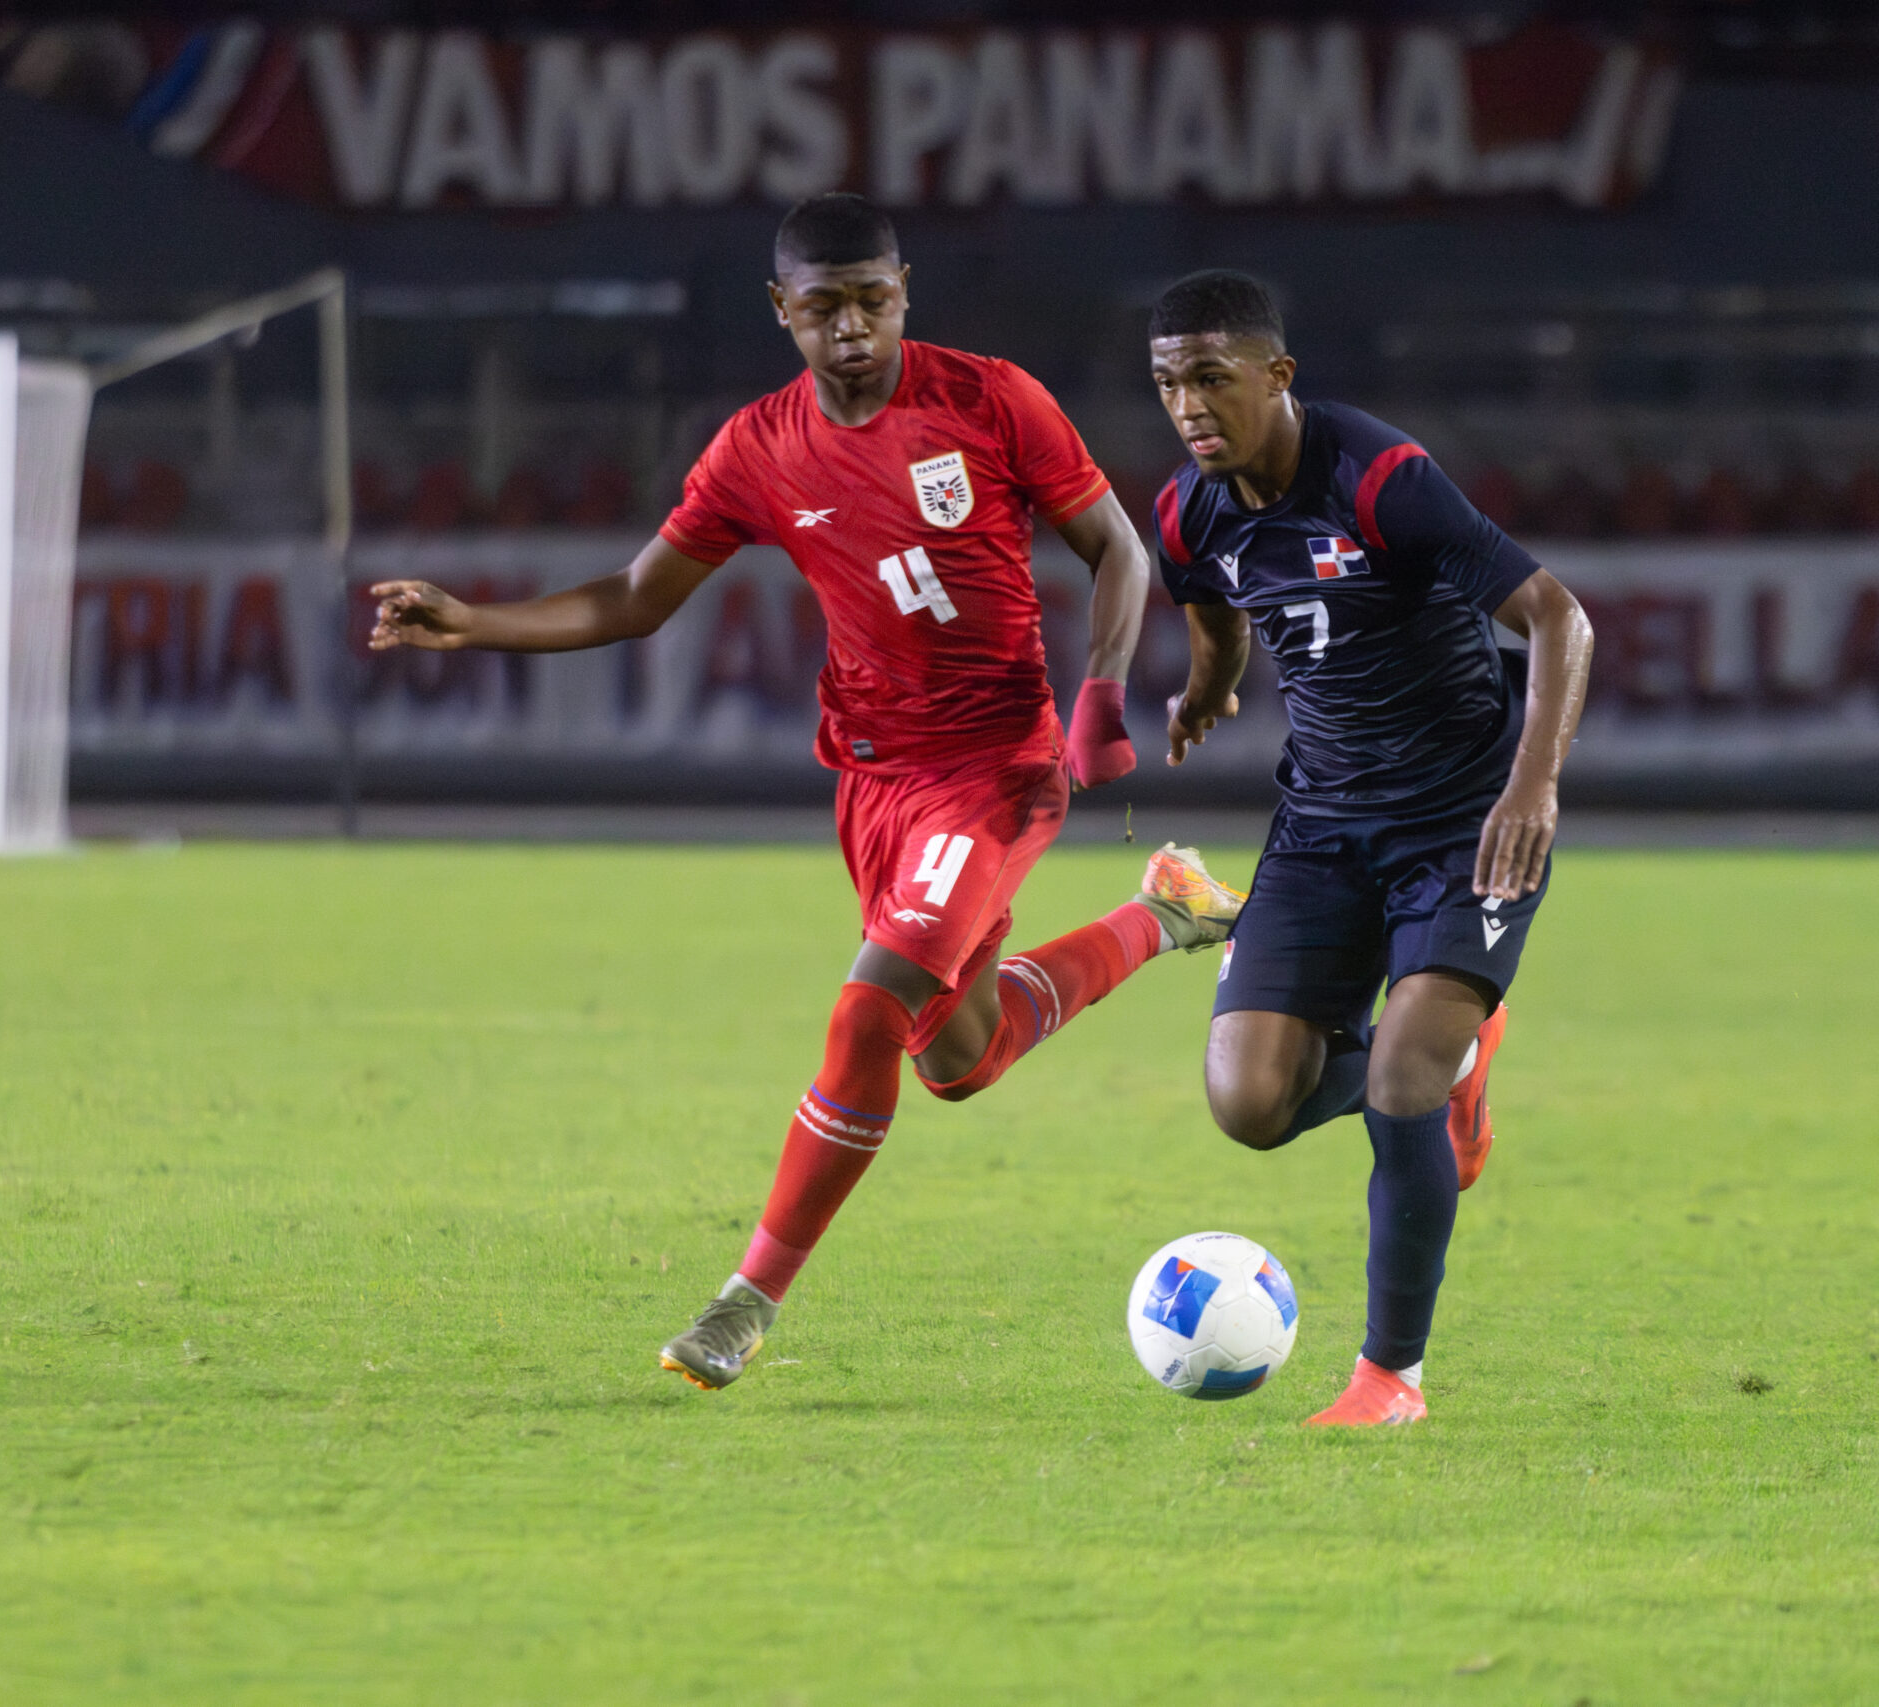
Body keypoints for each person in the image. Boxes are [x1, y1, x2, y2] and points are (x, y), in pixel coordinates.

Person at [369, 194, 1246, 1390]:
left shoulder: (990, 399)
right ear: (781, 309)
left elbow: (1119, 549)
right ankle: (1163, 911)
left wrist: (1099, 690)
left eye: (873, 300)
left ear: (903, 291)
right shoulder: (758, 449)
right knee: (958, 1059)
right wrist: (473, 623)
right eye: (824, 306)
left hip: (995, 770)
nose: (851, 328)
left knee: (867, 1013)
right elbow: (635, 597)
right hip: (874, 782)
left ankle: (745, 1302)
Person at [1146, 271, 1593, 1429]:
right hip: (1320, 828)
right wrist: (1205, 689)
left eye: (1210, 378)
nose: (1188, 406)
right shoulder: (1188, 512)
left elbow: (1558, 616)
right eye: (1168, 383)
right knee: (1249, 1104)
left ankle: (1390, 1380)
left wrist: (1532, 785)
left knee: (1400, 1084)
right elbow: (1212, 605)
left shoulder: (1378, 478)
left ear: (1277, 375)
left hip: (1464, 824)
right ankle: (1451, 1059)